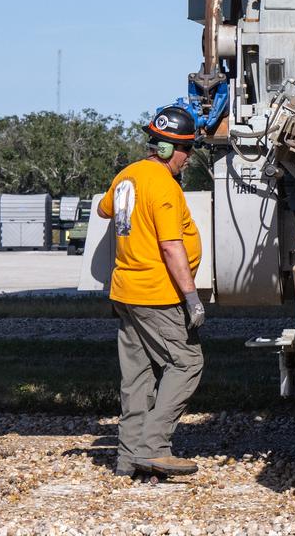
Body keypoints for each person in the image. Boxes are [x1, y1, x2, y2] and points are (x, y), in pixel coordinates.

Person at [97, 104, 207, 480]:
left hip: (125, 292)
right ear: (165, 149)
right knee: (188, 363)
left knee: (138, 377)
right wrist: (192, 298)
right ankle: (155, 447)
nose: (188, 158)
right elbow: (171, 246)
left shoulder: (127, 176)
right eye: (186, 149)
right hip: (156, 294)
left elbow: (103, 209)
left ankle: (128, 460)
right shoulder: (161, 183)